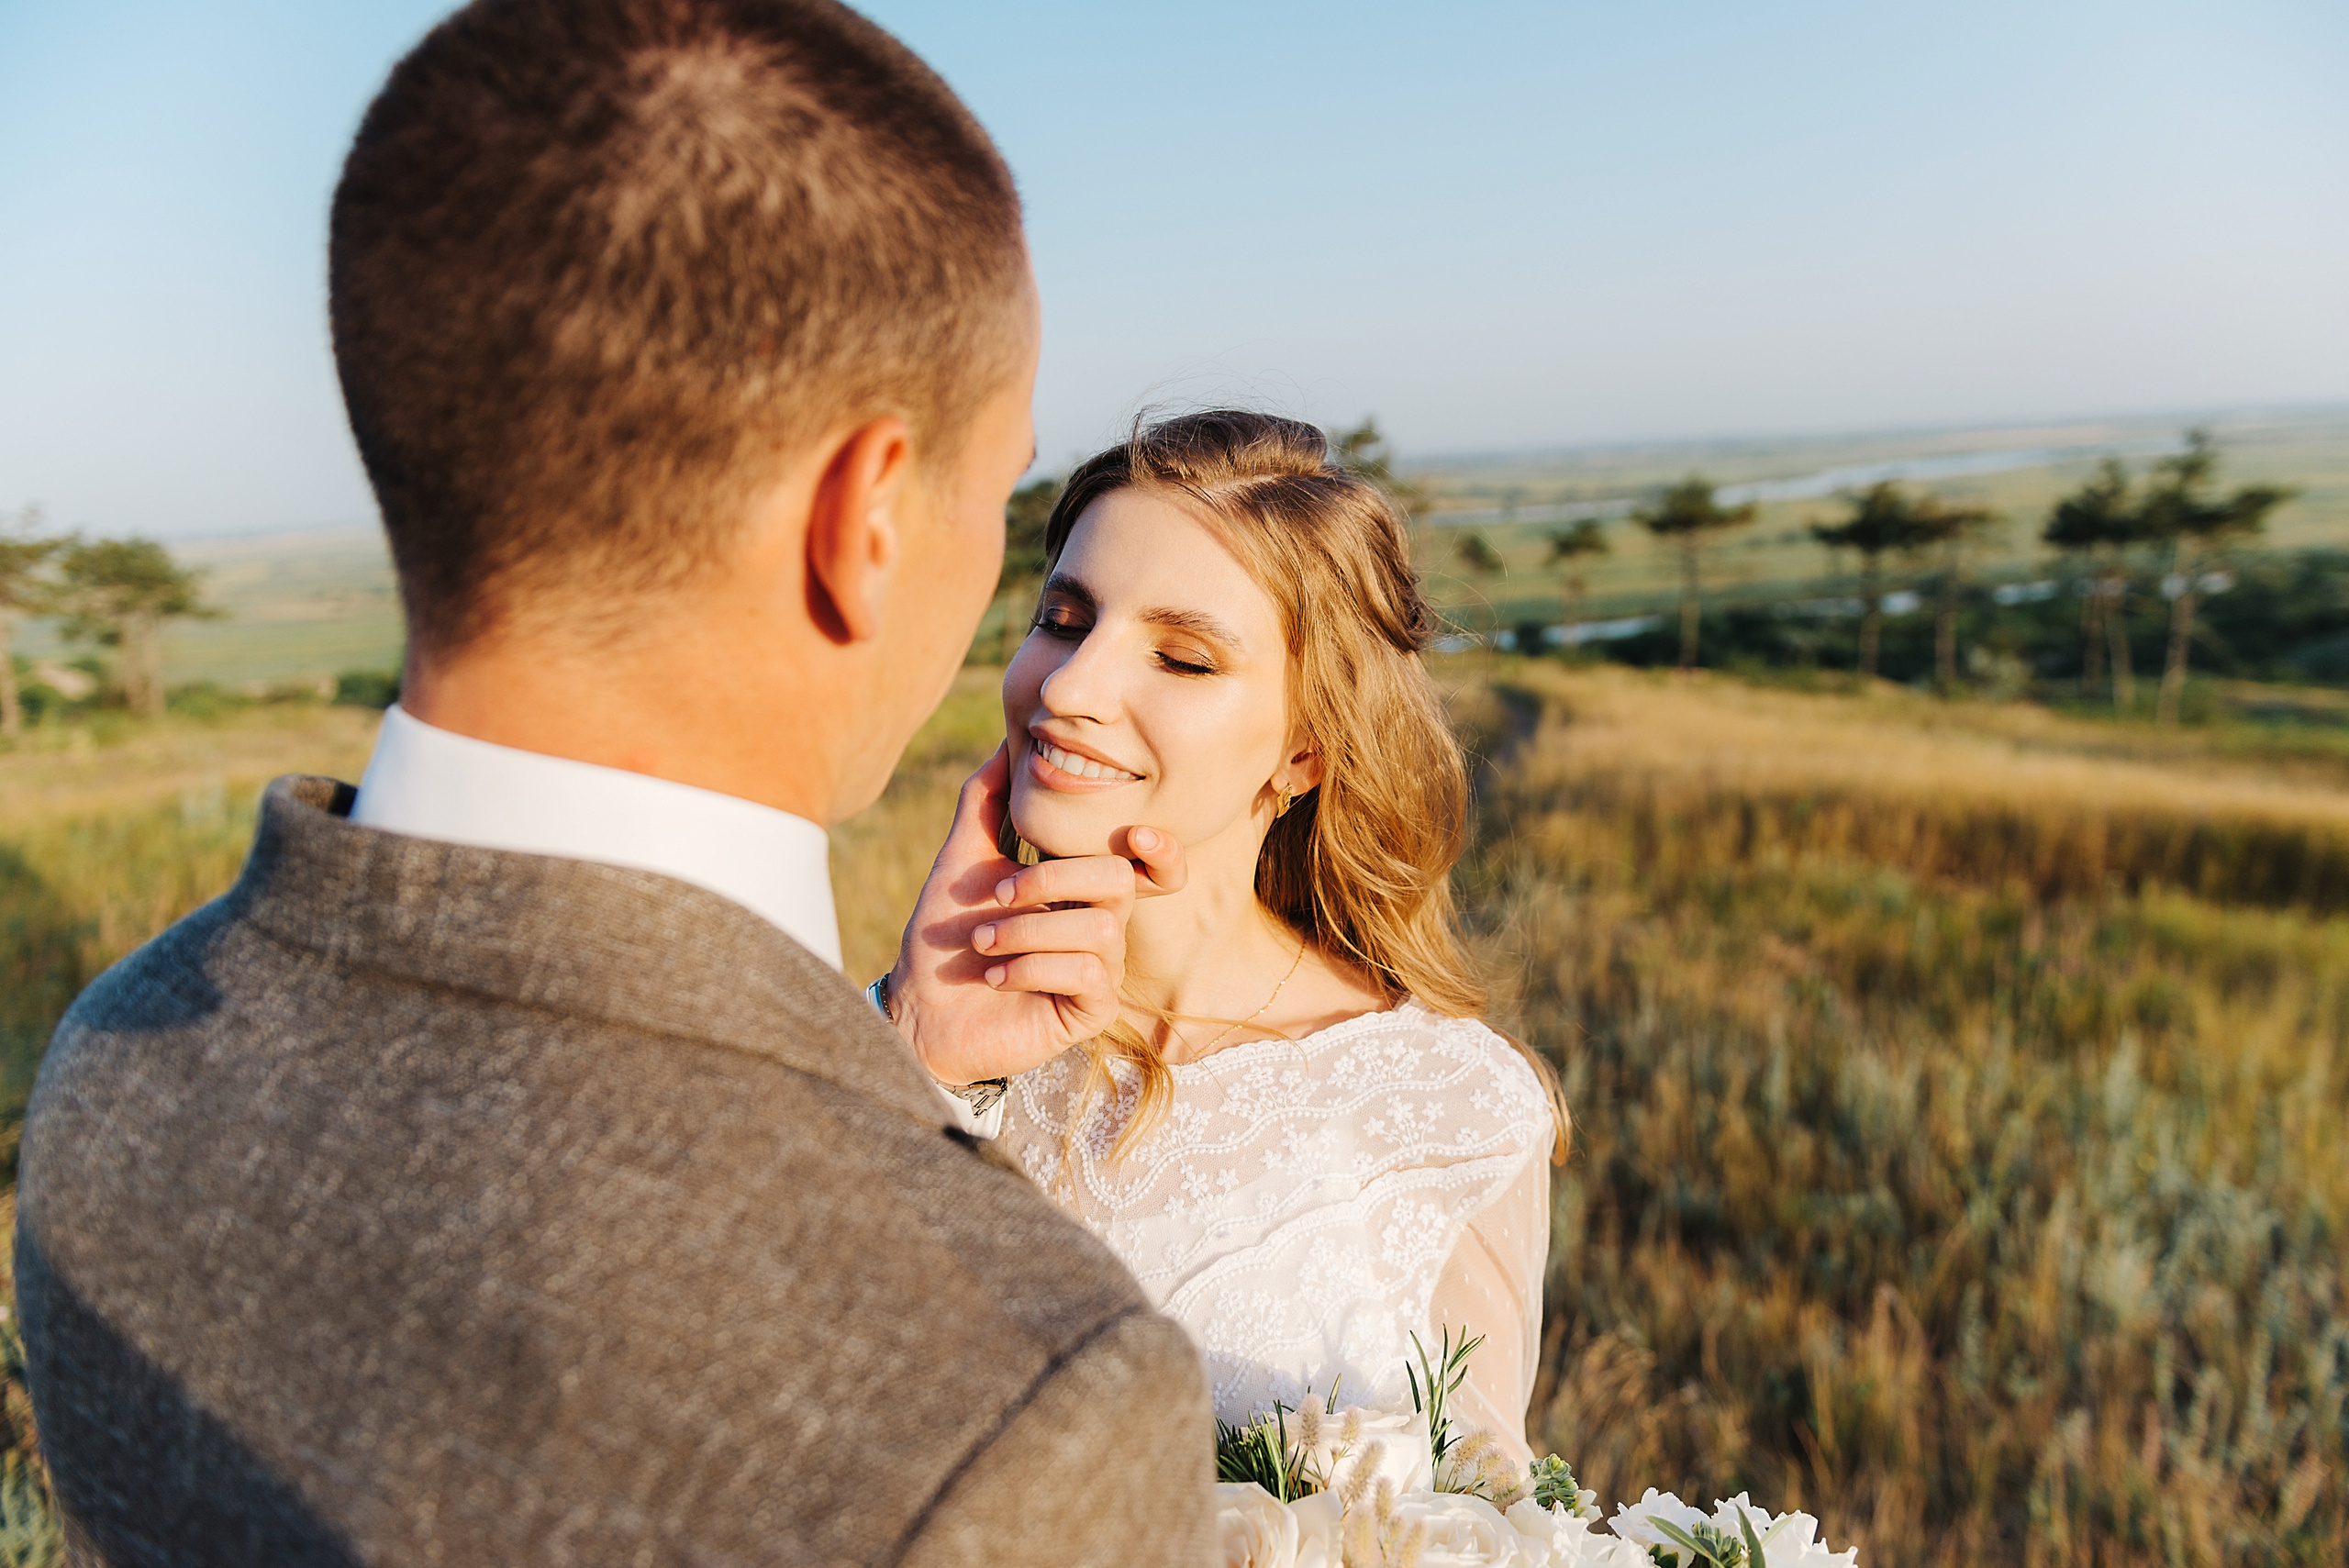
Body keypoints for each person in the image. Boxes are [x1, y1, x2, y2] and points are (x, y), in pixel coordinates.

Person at [12, 2, 1214, 1562]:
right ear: (863, 515)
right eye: (996, 489)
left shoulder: (107, 1073)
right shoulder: (1016, 1395)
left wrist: (890, 1057)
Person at [880, 410, 1572, 1464]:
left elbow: (1483, 1523)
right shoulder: (887, 1036)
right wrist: (918, 1062)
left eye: (1183, 657)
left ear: (1302, 749)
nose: (1067, 689)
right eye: (1064, 618)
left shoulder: (1450, 1109)